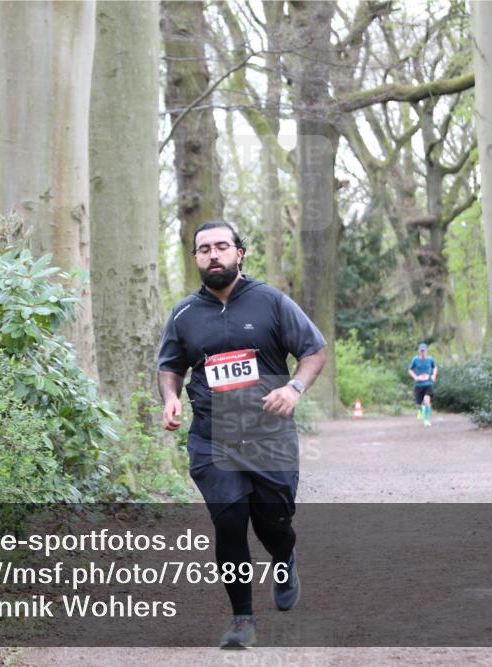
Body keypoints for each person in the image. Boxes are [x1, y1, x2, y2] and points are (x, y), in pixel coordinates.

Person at [157, 220, 327, 649]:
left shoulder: (271, 302)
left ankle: (284, 557)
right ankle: (242, 619)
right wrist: (171, 397)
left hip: (269, 434)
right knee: (230, 523)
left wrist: (294, 388)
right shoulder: (183, 313)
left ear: (239, 252)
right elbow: (170, 365)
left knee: (274, 522)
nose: (213, 254)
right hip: (213, 437)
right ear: (196, 258)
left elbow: (314, 351)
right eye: (204, 249)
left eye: (221, 246)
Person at [409, 343, 437, 427]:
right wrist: (415, 377)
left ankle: (426, 420)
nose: (422, 352)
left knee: (427, 400)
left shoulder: (430, 359)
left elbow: (434, 367)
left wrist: (434, 375)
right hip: (418, 385)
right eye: (421, 351)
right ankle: (420, 410)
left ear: (426, 351)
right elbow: (410, 370)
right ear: (419, 351)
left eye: (424, 351)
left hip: (428, 384)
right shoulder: (415, 360)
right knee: (419, 404)